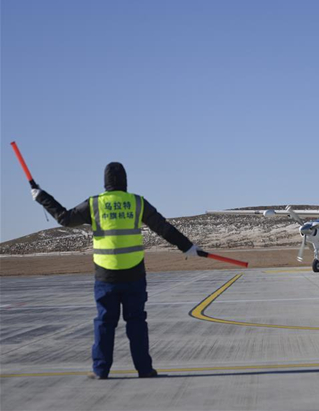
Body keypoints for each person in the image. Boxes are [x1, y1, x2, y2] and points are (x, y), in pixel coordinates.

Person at [31, 162, 207, 379]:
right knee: (137, 323)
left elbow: (64, 218)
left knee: (105, 322)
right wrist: (187, 247)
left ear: (105, 182)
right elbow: (163, 228)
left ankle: (100, 370)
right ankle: (145, 369)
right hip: (134, 273)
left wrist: (42, 197)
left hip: (106, 275)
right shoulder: (137, 202)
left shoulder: (95, 204)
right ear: (125, 180)